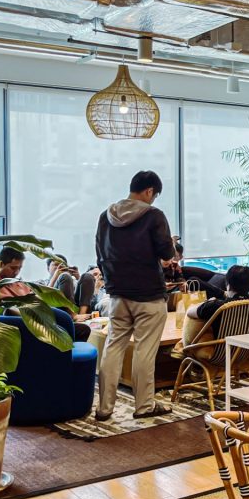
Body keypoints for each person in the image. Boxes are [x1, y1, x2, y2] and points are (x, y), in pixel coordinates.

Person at [95, 170, 176, 421]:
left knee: (113, 348)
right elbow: (166, 254)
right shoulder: (154, 216)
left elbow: (99, 253)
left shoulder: (105, 216)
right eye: (154, 195)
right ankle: (144, 407)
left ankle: (104, 408)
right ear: (149, 191)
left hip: (118, 295)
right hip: (149, 295)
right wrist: (170, 244)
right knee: (144, 351)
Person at [0, 249, 91, 341]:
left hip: (47, 316)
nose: (16, 272)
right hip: (31, 323)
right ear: (1, 264)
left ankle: (64, 354)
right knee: (78, 329)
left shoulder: (20, 283)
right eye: (13, 268)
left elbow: (39, 299)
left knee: (84, 329)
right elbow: (8, 310)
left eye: (19, 268)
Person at [184, 265, 249, 345]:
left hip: (220, 353)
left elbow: (189, 312)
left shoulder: (217, 306)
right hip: (248, 351)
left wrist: (207, 303)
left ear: (228, 285)